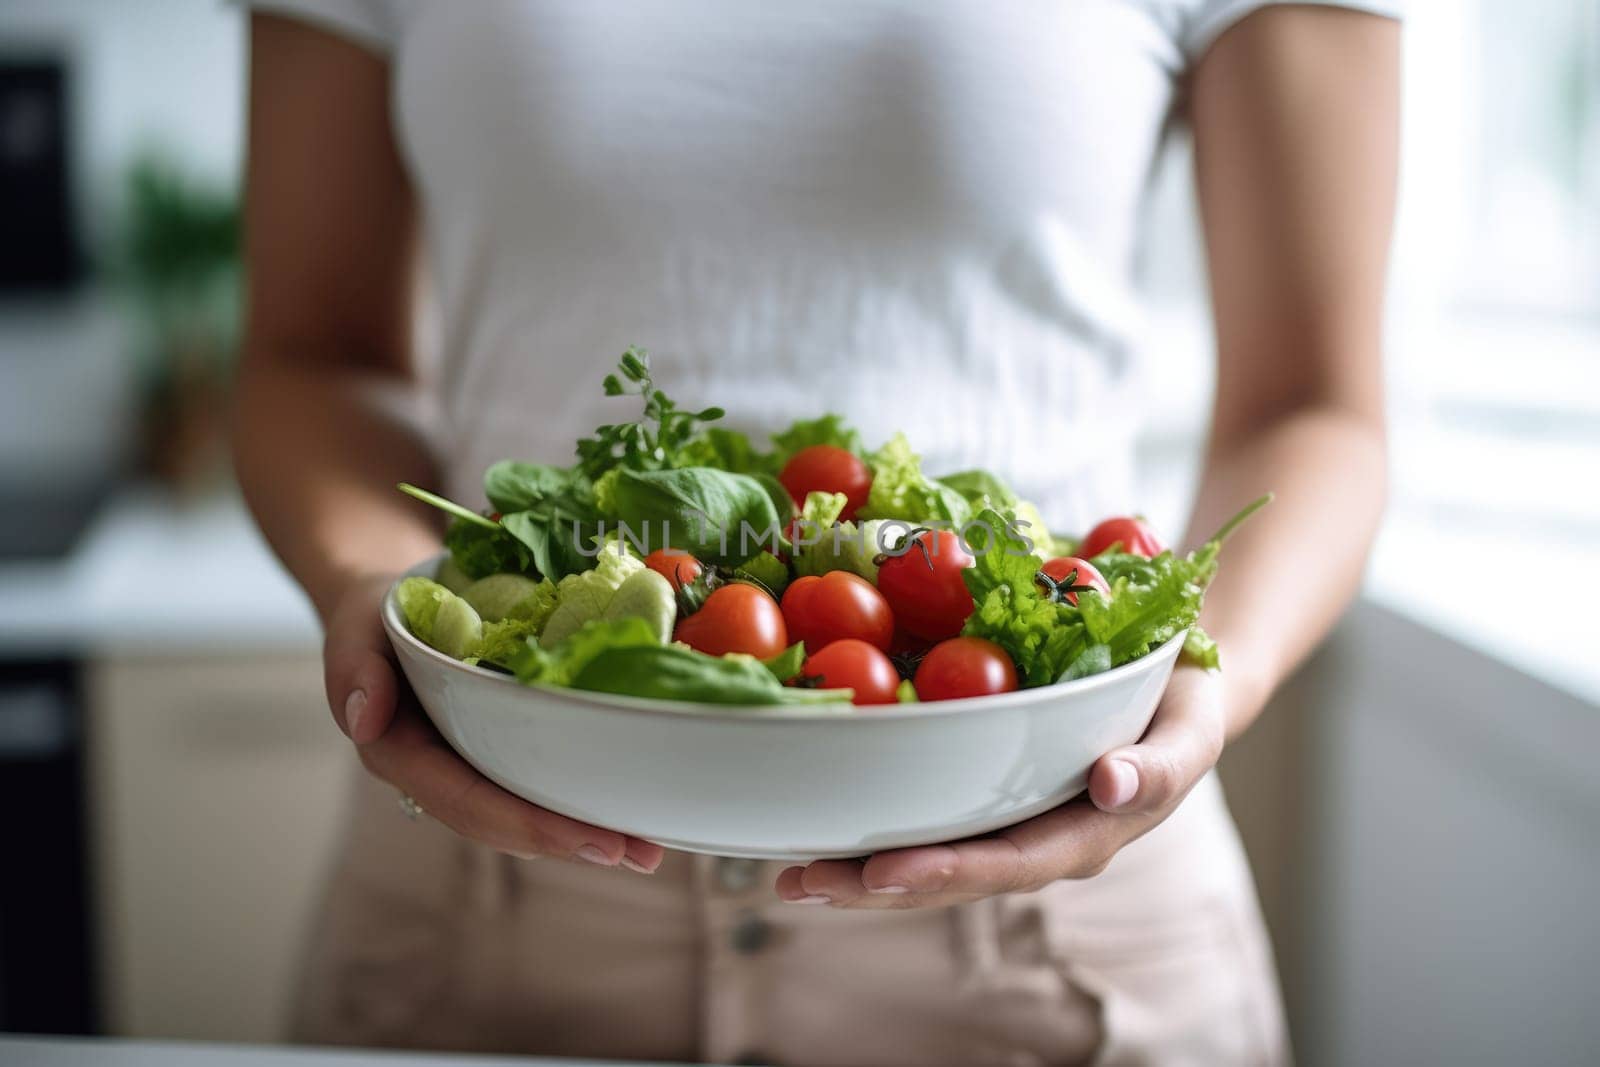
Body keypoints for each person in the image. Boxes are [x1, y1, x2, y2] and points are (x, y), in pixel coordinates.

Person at [234, 2, 1398, 1062]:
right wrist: (374, 585)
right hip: (489, 892)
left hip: (1056, 897)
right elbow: (311, 357)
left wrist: (1205, 671)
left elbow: (1314, 408)